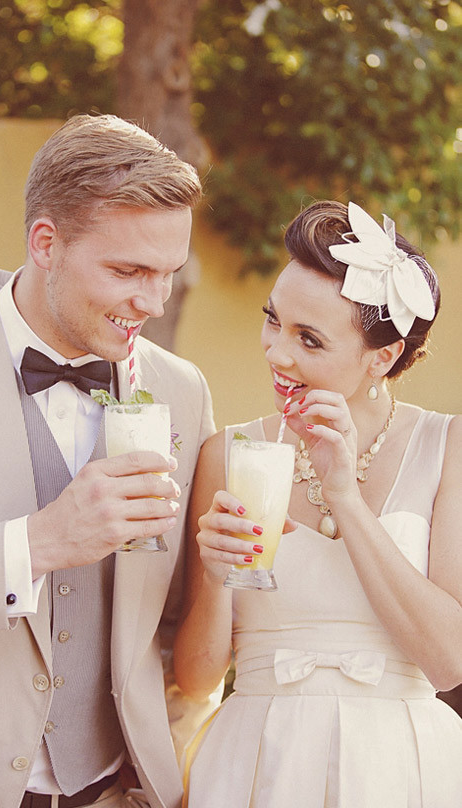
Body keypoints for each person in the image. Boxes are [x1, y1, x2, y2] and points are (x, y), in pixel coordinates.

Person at [0, 114, 218, 808]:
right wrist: (40, 542)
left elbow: (178, 620)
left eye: (168, 274)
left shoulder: (182, 391)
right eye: (128, 271)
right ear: (46, 243)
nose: (152, 303)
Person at [174, 200, 462, 806]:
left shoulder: (447, 448)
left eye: (308, 338)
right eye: (273, 320)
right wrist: (217, 577)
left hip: (401, 767)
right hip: (258, 762)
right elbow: (197, 679)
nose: (277, 353)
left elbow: (449, 661)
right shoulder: (228, 453)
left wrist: (345, 499)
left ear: (382, 357)